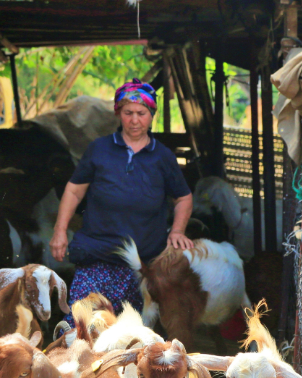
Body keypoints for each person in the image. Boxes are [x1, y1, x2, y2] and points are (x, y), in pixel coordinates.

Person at [50, 78, 194, 329]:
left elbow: (183, 197)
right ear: (118, 113)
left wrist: (178, 230)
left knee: (132, 338)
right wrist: (60, 230)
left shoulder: (162, 157)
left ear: (152, 115)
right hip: (96, 259)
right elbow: (74, 190)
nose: (135, 120)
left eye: (141, 113)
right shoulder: (99, 149)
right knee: (81, 329)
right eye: (128, 113)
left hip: (141, 268)